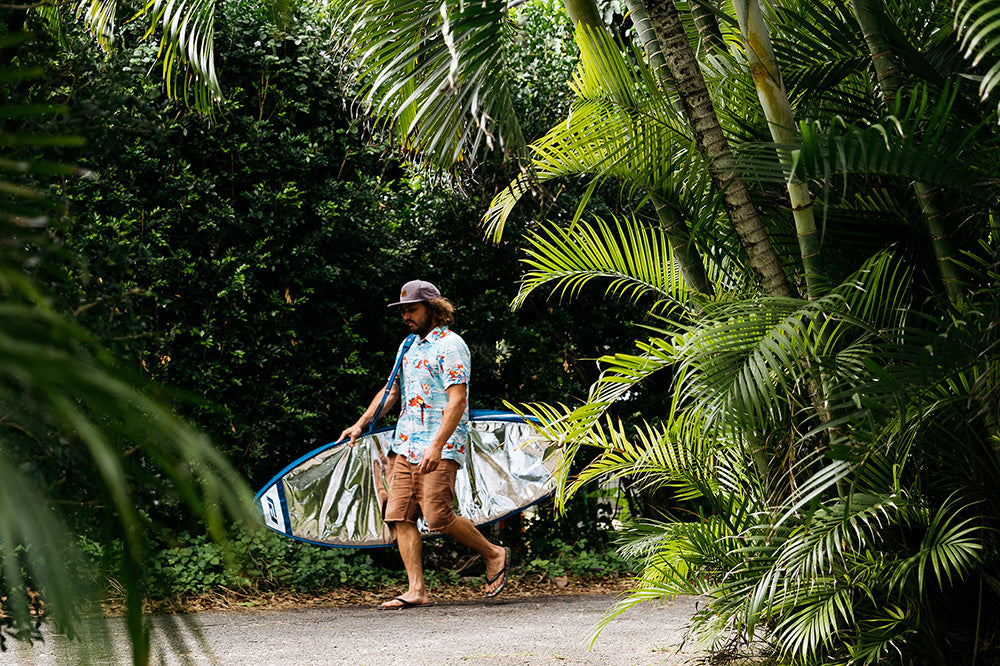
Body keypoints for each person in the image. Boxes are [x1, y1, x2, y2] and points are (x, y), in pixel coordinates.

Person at [339, 279, 510, 609]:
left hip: (439, 445)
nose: (406, 316)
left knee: (437, 516)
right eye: (402, 311)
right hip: (403, 443)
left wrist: (437, 445)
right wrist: (360, 424)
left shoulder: (451, 345)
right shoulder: (408, 346)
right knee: (399, 516)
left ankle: (494, 553)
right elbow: (391, 391)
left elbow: (457, 401)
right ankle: (416, 589)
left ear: (433, 308)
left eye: (412, 309)